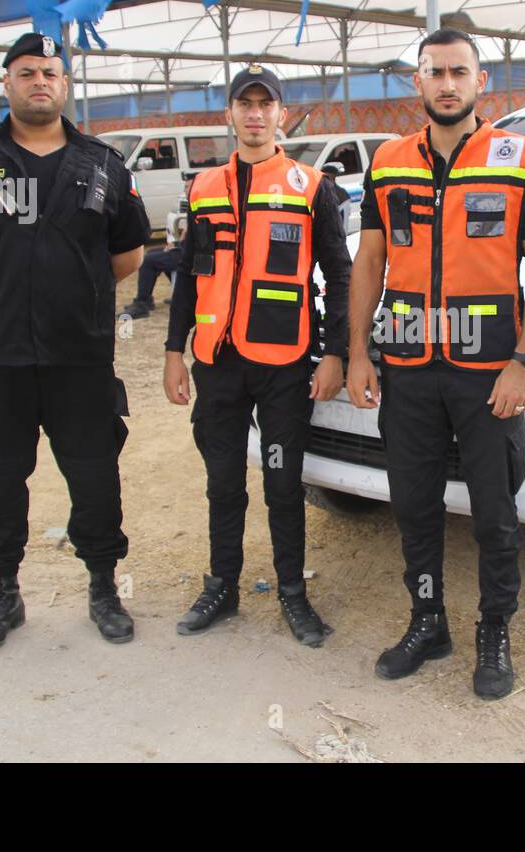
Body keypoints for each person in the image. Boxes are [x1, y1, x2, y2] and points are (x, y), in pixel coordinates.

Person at [346, 28, 525, 699]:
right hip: (409, 369)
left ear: (480, 81)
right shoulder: (388, 160)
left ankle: (494, 630)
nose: (446, 84)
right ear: (417, 82)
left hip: (487, 370)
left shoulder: (518, 155)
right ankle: (428, 619)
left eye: (458, 72)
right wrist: (358, 352)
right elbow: (370, 261)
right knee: (414, 506)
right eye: (434, 72)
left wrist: (523, 360)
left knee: (495, 511)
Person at [0, 32, 150, 653]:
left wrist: (67, 289)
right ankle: (4, 593)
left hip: (79, 355)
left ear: (65, 84)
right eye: (27, 73)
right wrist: (4, 291)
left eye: (50, 72)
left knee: (95, 475)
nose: (39, 82)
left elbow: (127, 254)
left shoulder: (104, 164)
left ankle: (103, 587)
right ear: (7, 84)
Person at [163, 64, 352, 647]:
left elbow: (340, 275)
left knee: (282, 481)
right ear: (229, 115)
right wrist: (175, 352)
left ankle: (293, 595)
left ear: (280, 115)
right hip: (216, 363)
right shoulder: (202, 188)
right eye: (243, 104)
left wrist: (337, 354)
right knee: (223, 481)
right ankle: (222, 587)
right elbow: (189, 278)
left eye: (264, 104)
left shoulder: (310, 186)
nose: (254, 114)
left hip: (283, 362)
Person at [119, 225, 183, 319]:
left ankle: (142, 304)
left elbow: (189, 230)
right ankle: (149, 300)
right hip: (188, 249)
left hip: (191, 252)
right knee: (151, 252)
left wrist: (177, 245)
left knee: (147, 261)